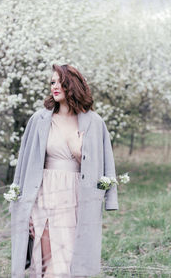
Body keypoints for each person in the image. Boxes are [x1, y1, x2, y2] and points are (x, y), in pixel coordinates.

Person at [9, 64, 118, 278]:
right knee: (48, 261)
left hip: (77, 195)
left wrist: (79, 152)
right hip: (44, 193)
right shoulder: (39, 120)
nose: (55, 86)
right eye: (52, 82)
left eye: (60, 82)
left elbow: (106, 163)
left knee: (71, 259)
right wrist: (20, 201)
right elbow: (24, 161)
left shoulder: (94, 122)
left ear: (73, 85)